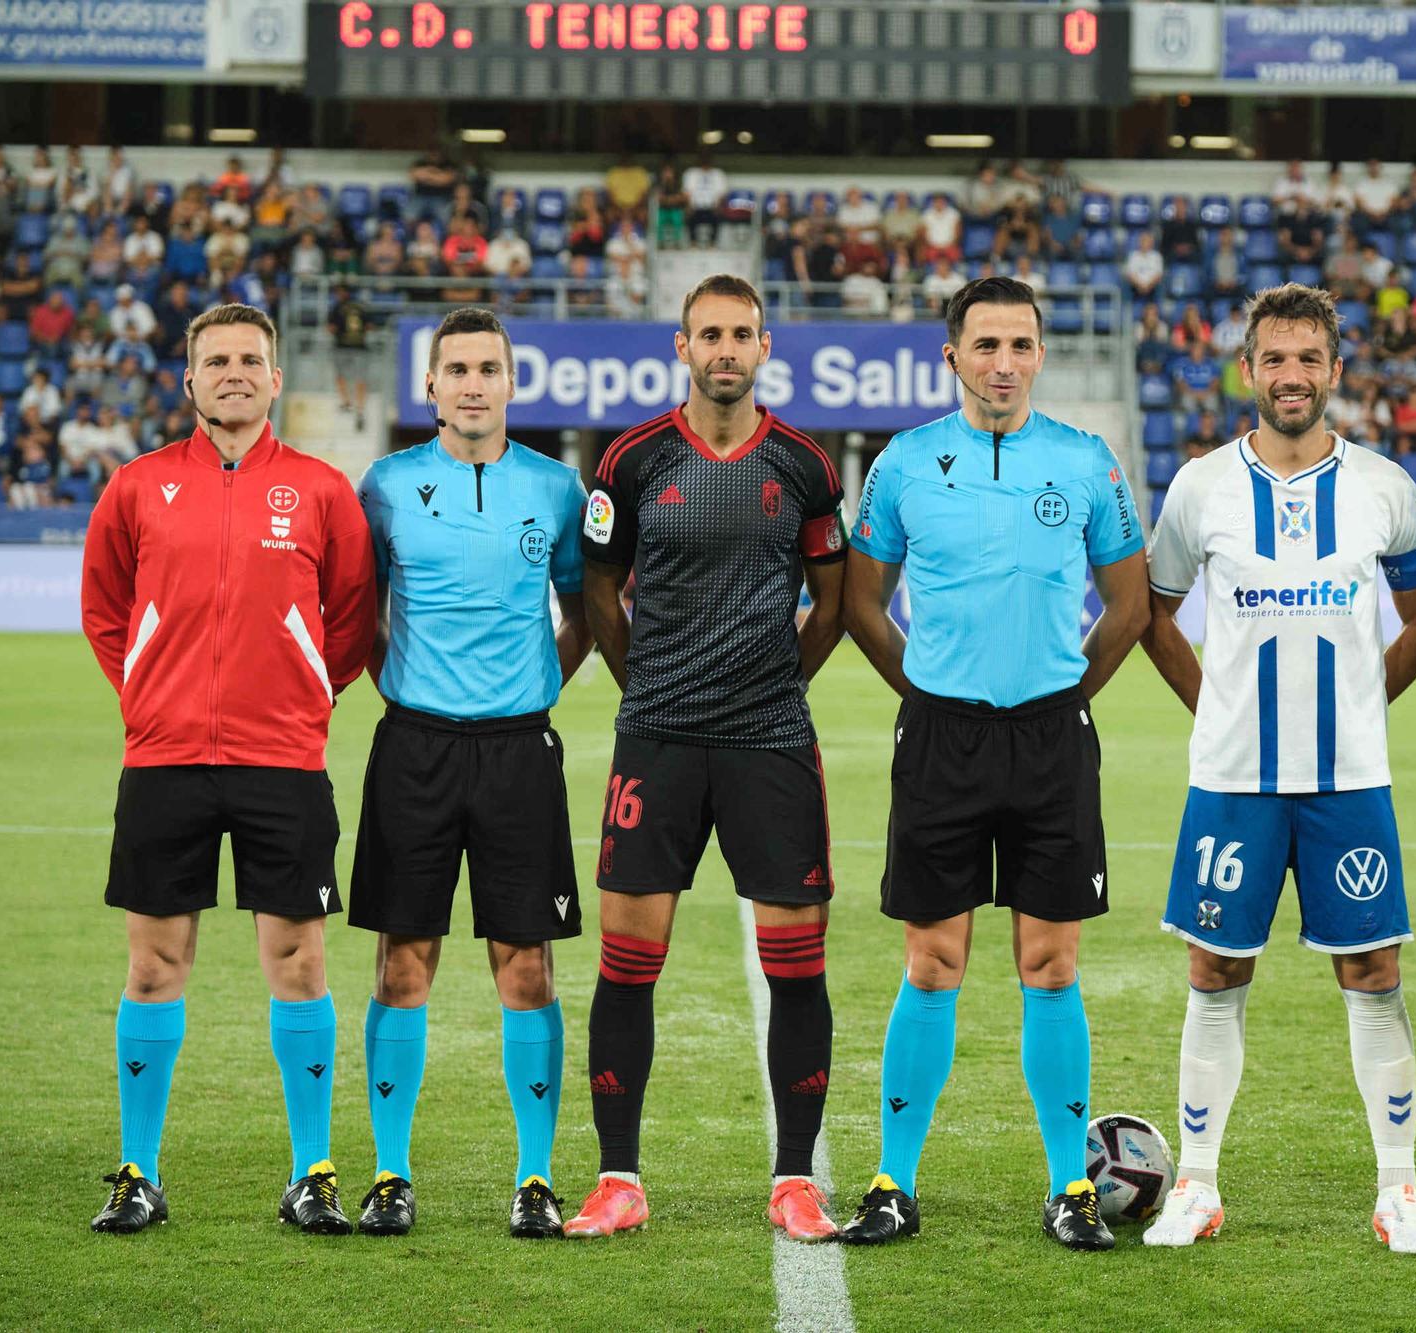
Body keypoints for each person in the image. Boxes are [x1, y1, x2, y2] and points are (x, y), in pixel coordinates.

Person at [836, 277, 1149, 1251]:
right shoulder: (903, 464)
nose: (1002, 363)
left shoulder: (1088, 463)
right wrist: (926, 690)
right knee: (932, 961)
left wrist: (1063, 695)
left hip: (1051, 739)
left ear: (1040, 354)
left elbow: (1129, 605)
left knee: (1048, 961)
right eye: (984, 345)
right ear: (952, 356)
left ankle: (1070, 1187)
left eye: (1019, 344)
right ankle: (893, 1181)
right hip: (941, 740)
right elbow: (859, 602)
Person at [1136, 284, 1416, 1253]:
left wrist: (1358, 700)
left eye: (1308, 358)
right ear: (1248, 369)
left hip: (1347, 776)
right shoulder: (1198, 488)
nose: (1291, 376)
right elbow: (1154, 612)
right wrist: (1215, 704)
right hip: (1232, 777)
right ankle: (1195, 1184)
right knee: (1215, 965)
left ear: (1334, 370)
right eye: (1274, 358)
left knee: (1372, 967)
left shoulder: (1383, 488)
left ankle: (1397, 1190)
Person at [80, 303, 377, 1235]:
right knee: (155, 962)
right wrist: (146, 698)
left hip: (282, 760)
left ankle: (313, 1173)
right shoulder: (135, 487)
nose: (235, 372)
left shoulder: (325, 491)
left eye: (252, 359)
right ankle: (137, 1172)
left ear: (277, 379)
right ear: (190, 378)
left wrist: (299, 697)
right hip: (163, 759)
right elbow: (104, 612)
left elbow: (352, 621)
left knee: (299, 959)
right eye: (217, 360)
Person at [566, 275, 848, 1244]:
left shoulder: (804, 465)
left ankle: (794, 1180)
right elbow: (598, 589)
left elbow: (834, 598)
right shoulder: (633, 460)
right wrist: (641, 682)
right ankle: (617, 1180)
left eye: (740, 334)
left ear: (764, 345)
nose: (724, 349)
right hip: (659, 738)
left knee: (796, 966)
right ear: (680, 348)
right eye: (707, 334)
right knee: (626, 962)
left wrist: (776, 681)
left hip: (769, 740)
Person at [347, 309, 593, 1240]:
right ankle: (389, 1172)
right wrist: (411, 689)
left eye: (489, 367)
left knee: (524, 965)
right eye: (457, 369)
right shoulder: (388, 485)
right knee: (403, 959)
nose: (473, 384)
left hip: (518, 752)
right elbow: (361, 616)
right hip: (413, 748)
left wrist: (530, 687)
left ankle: (534, 1177)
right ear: (433, 385)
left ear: (511, 381)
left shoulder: (556, 487)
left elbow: (585, 612)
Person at [328, 288, 370, 429]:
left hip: (342, 345)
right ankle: (359, 408)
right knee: (360, 378)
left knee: (340, 375)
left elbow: (331, 328)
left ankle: (346, 402)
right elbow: (370, 326)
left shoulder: (337, 307)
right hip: (360, 346)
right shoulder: (361, 307)